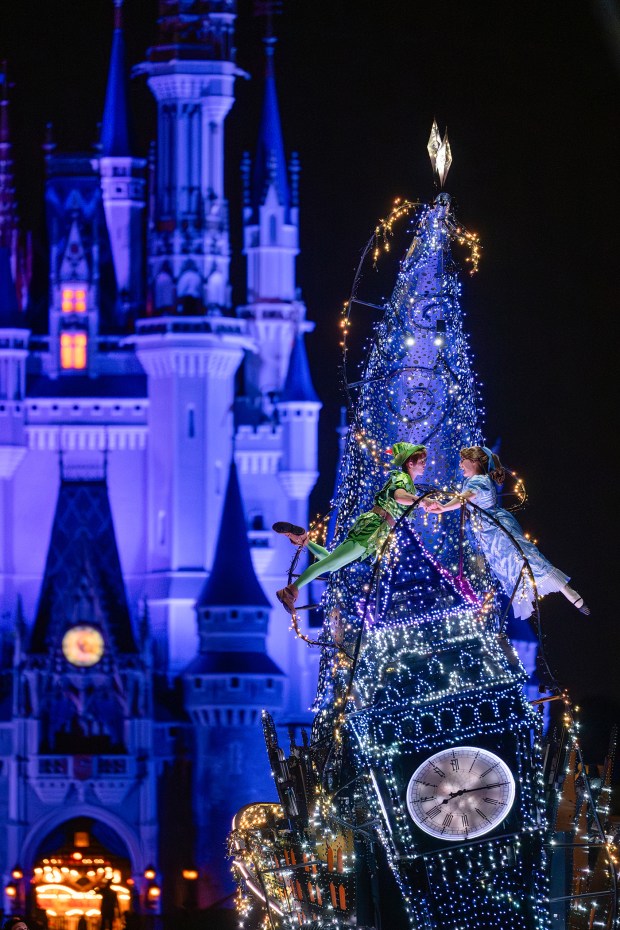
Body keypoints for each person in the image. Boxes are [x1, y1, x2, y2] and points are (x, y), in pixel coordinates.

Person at [426, 445, 589, 619]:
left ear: (473, 462)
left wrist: (444, 508)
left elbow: (465, 497)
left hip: (496, 531)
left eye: (463, 461)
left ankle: (564, 590)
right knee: (509, 567)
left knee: (521, 559)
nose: (460, 465)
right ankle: (534, 601)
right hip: (490, 532)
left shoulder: (478, 481)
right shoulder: (475, 480)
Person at [274, 442, 428, 612]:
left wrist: (430, 503)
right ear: (410, 463)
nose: (425, 464)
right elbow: (399, 496)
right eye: (421, 461)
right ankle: (290, 590)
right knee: (332, 563)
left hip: (376, 531)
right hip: (373, 527)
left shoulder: (408, 484)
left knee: (333, 565)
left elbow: (405, 499)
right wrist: (421, 500)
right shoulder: (402, 478)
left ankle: (304, 540)